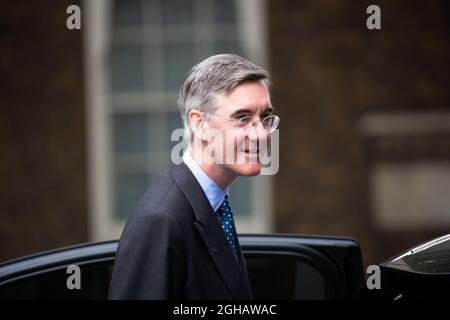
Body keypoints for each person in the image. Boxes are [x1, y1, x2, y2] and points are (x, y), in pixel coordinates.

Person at [108, 54, 279, 299]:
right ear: (200, 125)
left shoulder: (213, 205)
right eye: (242, 118)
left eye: (265, 118)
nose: (261, 135)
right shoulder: (161, 220)